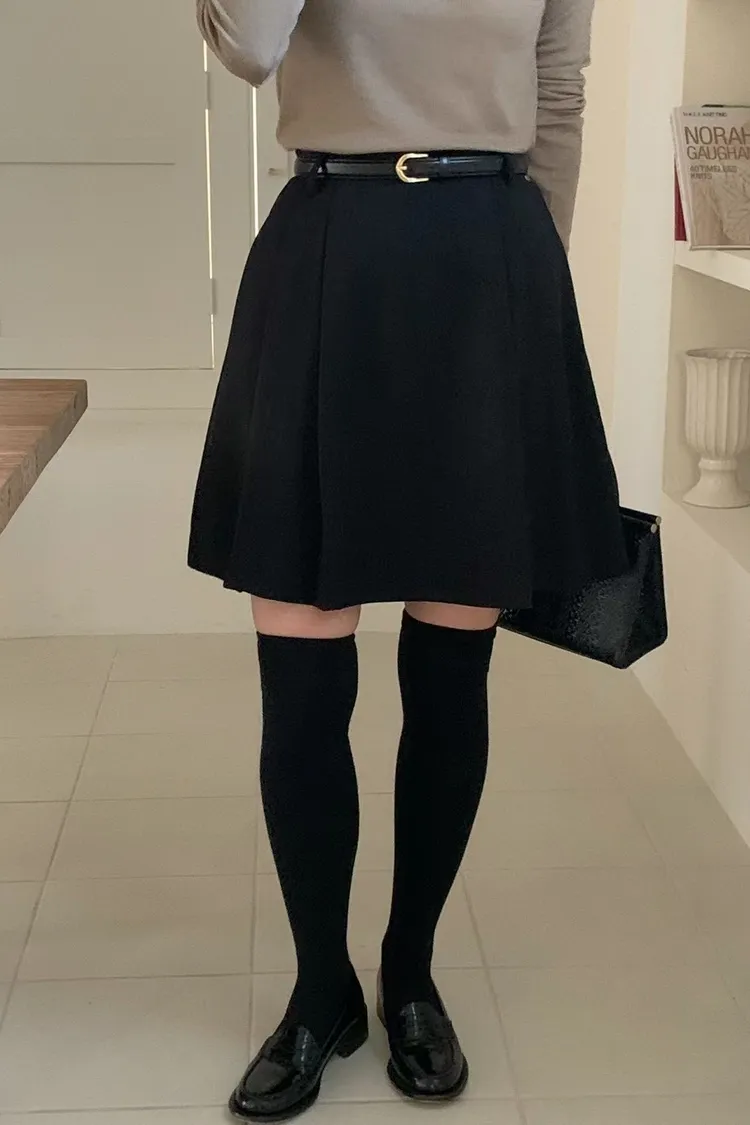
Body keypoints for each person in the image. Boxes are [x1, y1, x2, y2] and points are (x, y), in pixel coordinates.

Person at [189, 1, 627, 1120]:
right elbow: (248, 46)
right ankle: (319, 992)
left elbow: (559, 92)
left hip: (491, 263)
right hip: (328, 246)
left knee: (450, 668)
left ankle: (410, 973)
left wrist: (531, 291)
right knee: (300, 669)